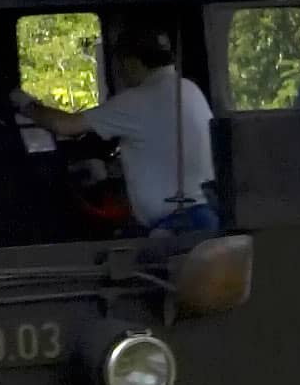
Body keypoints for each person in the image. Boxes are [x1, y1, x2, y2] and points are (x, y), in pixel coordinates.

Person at [26, 17, 215, 233]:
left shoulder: (138, 100)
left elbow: (64, 125)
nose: (121, 74)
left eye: (120, 65)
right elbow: (160, 149)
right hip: (205, 215)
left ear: (131, 62)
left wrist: (26, 105)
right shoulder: (188, 89)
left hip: (178, 227)